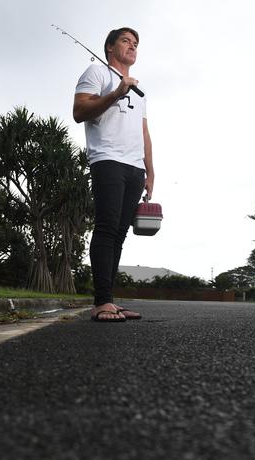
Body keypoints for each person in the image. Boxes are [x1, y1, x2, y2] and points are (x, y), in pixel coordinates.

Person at [73, 27, 154, 322]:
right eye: (125, 41)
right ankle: (102, 302)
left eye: (136, 43)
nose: (132, 46)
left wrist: (150, 171)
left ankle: (110, 300)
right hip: (107, 159)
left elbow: (144, 132)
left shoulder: (140, 91)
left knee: (119, 233)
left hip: (135, 166)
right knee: (107, 228)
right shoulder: (97, 72)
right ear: (110, 47)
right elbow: (80, 111)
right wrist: (117, 92)